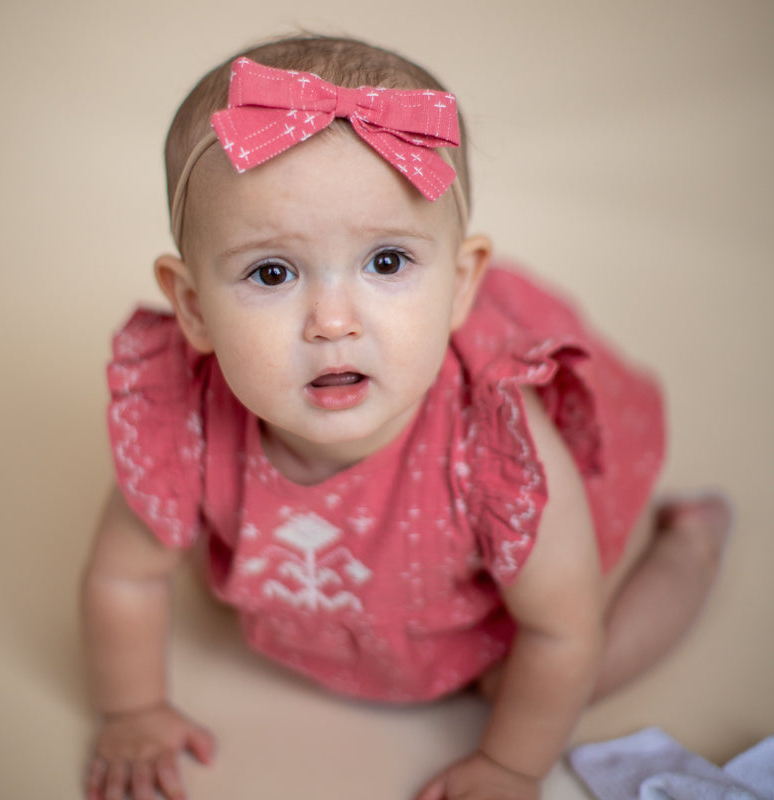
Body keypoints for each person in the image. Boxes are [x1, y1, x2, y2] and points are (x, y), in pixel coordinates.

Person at [80, 33, 732, 800]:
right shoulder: (184, 422)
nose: (332, 321)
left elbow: (562, 630)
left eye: (387, 262)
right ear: (191, 306)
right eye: (272, 271)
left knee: (567, 669)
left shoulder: (496, 447)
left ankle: (690, 547)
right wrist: (134, 708)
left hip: (476, 639)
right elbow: (125, 578)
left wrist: (509, 766)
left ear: (460, 286)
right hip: (320, 612)